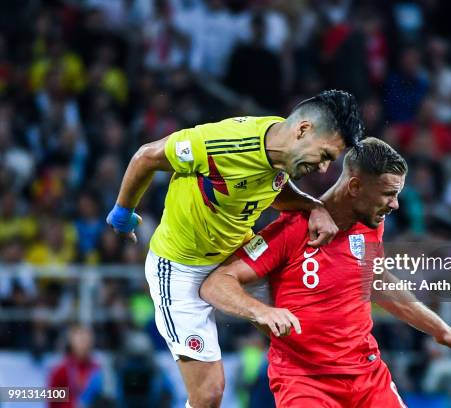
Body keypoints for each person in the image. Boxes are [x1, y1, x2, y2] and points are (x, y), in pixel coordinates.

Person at [105, 90, 364, 408]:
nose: (324, 169)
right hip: (178, 269)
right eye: (325, 156)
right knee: (209, 395)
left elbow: (273, 190)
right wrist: (122, 214)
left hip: (234, 256)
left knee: (304, 333)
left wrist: (313, 207)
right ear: (303, 130)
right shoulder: (221, 144)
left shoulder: (283, 152)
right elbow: (146, 156)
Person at [200, 138, 451, 407]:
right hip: (305, 381)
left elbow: (377, 282)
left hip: (367, 377)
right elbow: (216, 284)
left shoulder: (371, 223)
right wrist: (261, 311)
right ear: (355, 186)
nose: (395, 204)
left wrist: (440, 329)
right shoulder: (293, 229)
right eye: (388, 194)